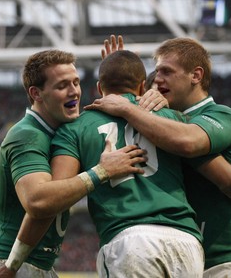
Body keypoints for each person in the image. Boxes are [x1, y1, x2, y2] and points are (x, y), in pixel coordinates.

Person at [86, 36, 231, 277]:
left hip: (224, 260)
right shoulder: (161, 120)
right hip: (185, 257)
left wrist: (126, 106)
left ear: (195, 76)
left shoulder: (222, 115)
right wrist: (117, 78)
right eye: (156, 72)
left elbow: (186, 142)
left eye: (166, 72)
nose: (157, 79)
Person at [0, 49, 147, 278]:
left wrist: (122, 74)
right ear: (36, 93)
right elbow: (38, 200)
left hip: (33, 265)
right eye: (62, 86)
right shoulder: (28, 134)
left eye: (76, 82)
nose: (74, 91)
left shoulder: (61, 134)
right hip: (7, 265)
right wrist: (101, 172)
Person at [52, 49, 205, 277]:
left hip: (128, 240)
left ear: (99, 88)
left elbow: (57, 194)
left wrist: (98, 172)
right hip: (185, 241)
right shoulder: (174, 118)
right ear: (143, 87)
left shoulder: (75, 128)